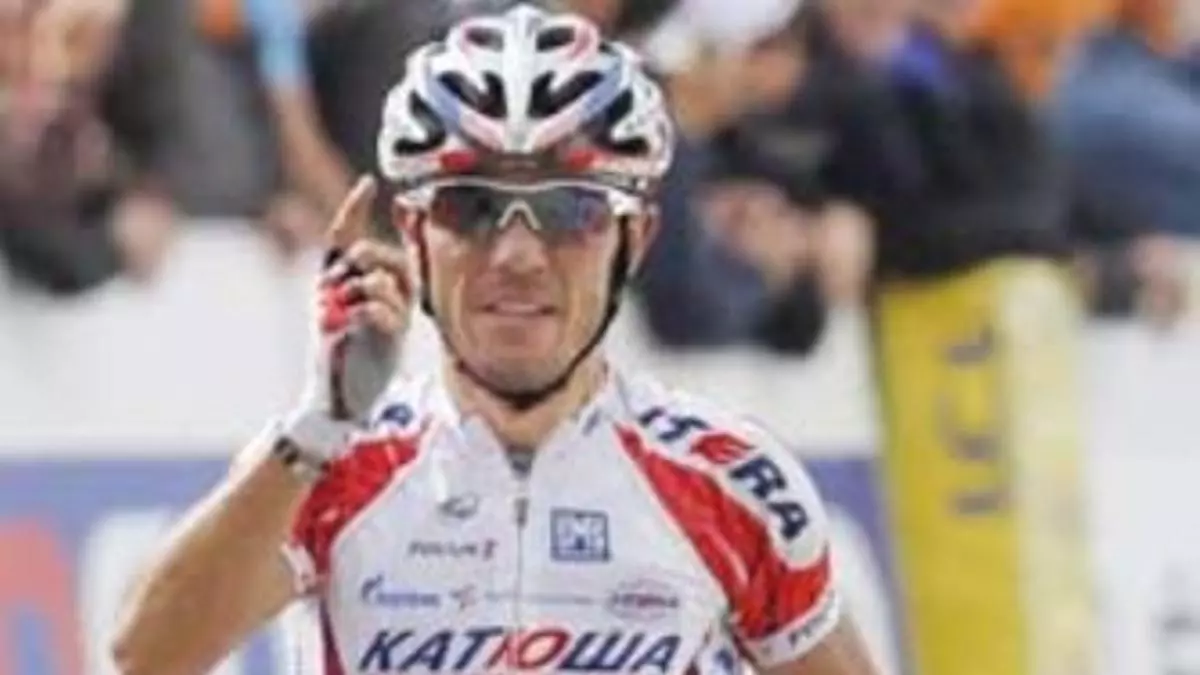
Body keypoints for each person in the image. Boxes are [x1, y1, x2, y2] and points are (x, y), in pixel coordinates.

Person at [111, 5, 879, 674]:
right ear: (412, 231)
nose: (517, 254)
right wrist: (317, 426)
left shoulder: (731, 483)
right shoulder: (332, 466)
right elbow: (145, 654)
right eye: (469, 207)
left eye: (569, 210)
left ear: (635, 240)